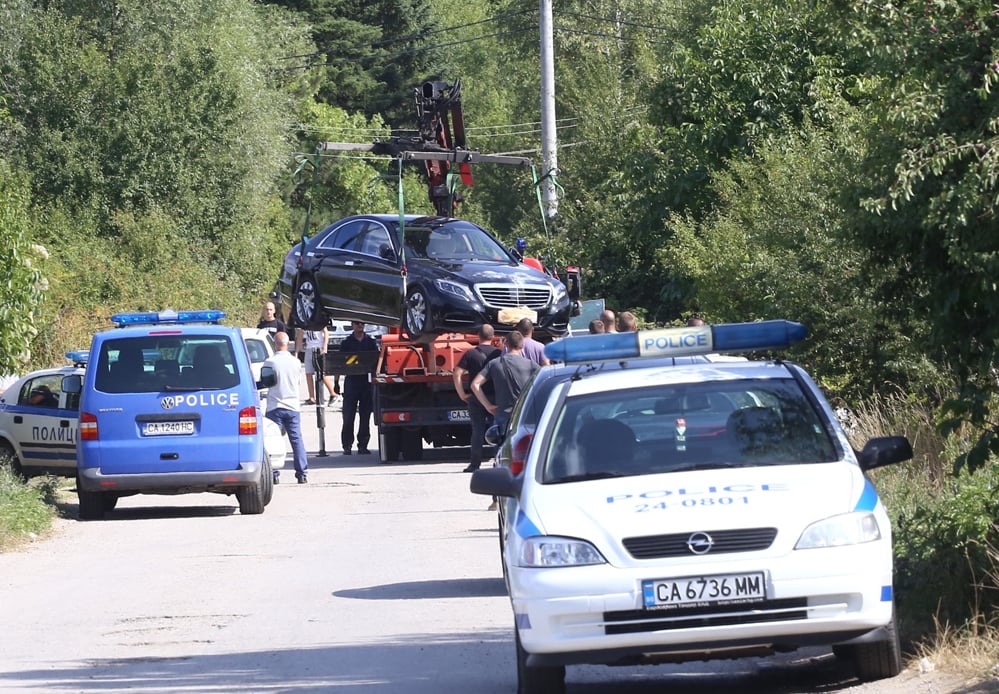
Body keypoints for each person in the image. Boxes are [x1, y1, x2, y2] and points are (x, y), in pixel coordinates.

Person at [471, 331, 540, 436]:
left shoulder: (494, 363)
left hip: (502, 414)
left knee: (502, 447)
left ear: (506, 344)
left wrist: (487, 405)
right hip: (526, 413)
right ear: (522, 345)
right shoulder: (531, 365)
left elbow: (475, 384)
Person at [453, 324, 501, 473]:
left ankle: (475, 464)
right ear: (492, 337)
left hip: (476, 397)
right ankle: (499, 462)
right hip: (495, 397)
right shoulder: (499, 354)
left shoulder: (470, 354)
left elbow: (457, 373)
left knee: (477, 430)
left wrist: (462, 394)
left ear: (478, 336)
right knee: (498, 430)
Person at [263, 332, 309, 484]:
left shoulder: (270, 362)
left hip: (275, 406)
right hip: (292, 406)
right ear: (287, 343)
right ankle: (302, 473)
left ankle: (274, 473)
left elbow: (266, 382)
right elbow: (298, 382)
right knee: (296, 440)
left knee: (273, 440)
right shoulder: (296, 362)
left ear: (275, 344)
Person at [340, 321, 378, 455]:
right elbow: (341, 363)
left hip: (366, 383)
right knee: (348, 416)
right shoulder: (346, 343)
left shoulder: (370, 342)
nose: (359, 325)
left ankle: (363, 445)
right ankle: (347, 445)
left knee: (365, 416)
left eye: (361, 323)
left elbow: (375, 362)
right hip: (351, 382)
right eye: (356, 323)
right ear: (352, 325)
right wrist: (336, 382)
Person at [295, 326, 338, 406]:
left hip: (318, 348)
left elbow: (326, 332)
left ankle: (333, 393)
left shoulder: (318, 320)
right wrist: (297, 352)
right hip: (309, 348)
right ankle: (311, 397)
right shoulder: (305, 323)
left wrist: (325, 347)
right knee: (308, 373)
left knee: (321, 373)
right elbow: (300, 336)